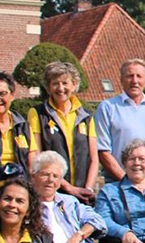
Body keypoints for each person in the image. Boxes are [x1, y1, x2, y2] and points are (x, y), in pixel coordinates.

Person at [93, 58, 145, 181]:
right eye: (129, 76)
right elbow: (102, 150)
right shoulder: (107, 108)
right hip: (117, 183)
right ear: (121, 80)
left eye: (139, 76)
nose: (134, 81)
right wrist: (126, 181)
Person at [26, 61, 98, 203]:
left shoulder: (86, 116)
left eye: (65, 83)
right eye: (55, 83)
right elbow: (37, 156)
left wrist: (88, 189)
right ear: (48, 87)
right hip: (52, 191)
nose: (60, 88)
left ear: (74, 85)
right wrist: (69, 188)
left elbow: (94, 158)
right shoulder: (37, 114)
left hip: (82, 193)